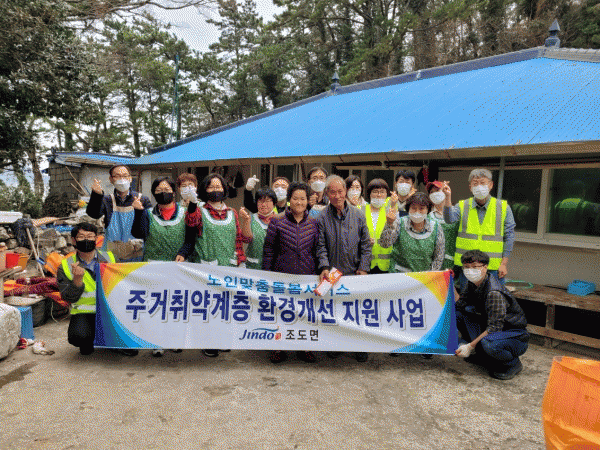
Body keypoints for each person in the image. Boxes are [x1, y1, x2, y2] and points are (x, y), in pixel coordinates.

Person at [184, 173, 250, 358]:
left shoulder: (232, 212)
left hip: (228, 267)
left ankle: (223, 339)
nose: (215, 190)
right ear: (204, 190)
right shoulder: (199, 210)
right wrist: (192, 203)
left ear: (224, 189)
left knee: (225, 307)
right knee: (208, 307)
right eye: (211, 187)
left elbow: (238, 238)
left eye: (218, 186)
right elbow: (191, 221)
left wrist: (240, 261)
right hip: (206, 268)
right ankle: (208, 342)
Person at [131, 176, 194, 357]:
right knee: (156, 305)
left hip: (179, 266)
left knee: (177, 305)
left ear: (174, 192)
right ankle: (157, 342)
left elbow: (191, 238)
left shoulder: (185, 212)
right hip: (154, 266)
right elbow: (139, 233)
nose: (163, 193)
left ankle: (175, 340)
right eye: (158, 191)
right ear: (153, 194)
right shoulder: (147, 213)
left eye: (167, 189)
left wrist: (184, 252)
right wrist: (138, 212)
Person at [57, 223, 137, 357]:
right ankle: (89, 339)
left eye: (90, 236)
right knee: (79, 337)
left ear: (96, 238)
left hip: (112, 311)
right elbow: (67, 297)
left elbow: (125, 283)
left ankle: (114, 341)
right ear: (73, 240)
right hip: (85, 312)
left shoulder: (111, 258)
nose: (86, 239)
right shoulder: (66, 265)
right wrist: (77, 281)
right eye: (81, 236)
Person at [262, 182, 320, 364]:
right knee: (280, 313)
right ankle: (277, 348)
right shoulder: (277, 221)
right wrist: (267, 275)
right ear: (289, 200)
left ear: (308, 201)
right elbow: (269, 250)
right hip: (282, 275)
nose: (299, 202)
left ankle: (305, 348)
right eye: (295, 198)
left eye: (303, 199)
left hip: (306, 276)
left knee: (305, 313)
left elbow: (317, 250)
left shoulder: (314, 223)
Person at [316, 175, 372, 362]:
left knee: (357, 311)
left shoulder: (358, 214)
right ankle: (336, 344)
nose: (337, 196)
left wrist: (363, 268)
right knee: (333, 311)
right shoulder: (322, 217)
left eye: (340, 191)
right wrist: (324, 266)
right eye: (332, 192)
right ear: (327, 194)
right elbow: (320, 246)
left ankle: (360, 346)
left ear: (346, 191)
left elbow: (366, 245)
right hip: (332, 273)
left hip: (355, 272)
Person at [454, 249, 529, 380]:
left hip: (513, 334)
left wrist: (470, 346)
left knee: (489, 344)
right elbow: (459, 305)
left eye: (475, 267)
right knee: (457, 314)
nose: (470, 271)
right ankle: (482, 355)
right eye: (466, 267)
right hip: (489, 324)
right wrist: (450, 284)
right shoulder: (471, 284)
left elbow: (494, 327)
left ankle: (513, 364)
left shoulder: (494, 293)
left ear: (485, 267)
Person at [443, 168, 515, 284]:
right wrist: (447, 197)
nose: (479, 186)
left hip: (492, 268)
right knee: (467, 296)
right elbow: (449, 219)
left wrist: (504, 264)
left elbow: (509, 237)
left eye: (483, 183)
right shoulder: (462, 206)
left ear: (491, 185)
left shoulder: (503, 207)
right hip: (467, 267)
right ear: (470, 187)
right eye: (475, 183)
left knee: (493, 295)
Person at [86, 164, 152, 261]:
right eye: (117, 176)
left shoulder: (142, 199)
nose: (122, 179)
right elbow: (94, 214)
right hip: (111, 254)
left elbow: (147, 228)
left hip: (136, 253)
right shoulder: (107, 200)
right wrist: (96, 195)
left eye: (125, 176)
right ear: (111, 179)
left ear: (130, 178)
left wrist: (140, 210)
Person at [380, 192, 445, 273]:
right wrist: (389, 224)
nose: (417, 212)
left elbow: (439, 256)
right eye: (414, 208)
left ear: (428, 210)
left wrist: (430, 276)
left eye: (421, 208)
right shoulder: (399, 223)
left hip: (423, 276)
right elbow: (385, 244)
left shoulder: (436, 227)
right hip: (399, 275)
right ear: (408, 209)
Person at [240, 187, 277, 270]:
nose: (263, 205)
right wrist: (246, 221)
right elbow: (246, 239)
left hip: (274, 268)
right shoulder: (251, 218)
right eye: (260, 201)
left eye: (267, 201)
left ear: (274, 203)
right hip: (253, 267)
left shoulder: (279, 220)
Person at [427, 180, 459, 270]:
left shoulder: (456, 213)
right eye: (431, 192)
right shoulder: (428, 216)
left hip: (454, 264)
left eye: (437, 190)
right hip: (434, 264)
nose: (434, 194)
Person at [363, 179, 392, 274]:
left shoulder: (390, 210)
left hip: (386, 265)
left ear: (387, 194)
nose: (379, 195)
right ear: (369, 194)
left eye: (382, 192)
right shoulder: (361, 210)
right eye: (375, 192)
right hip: (365, 263)